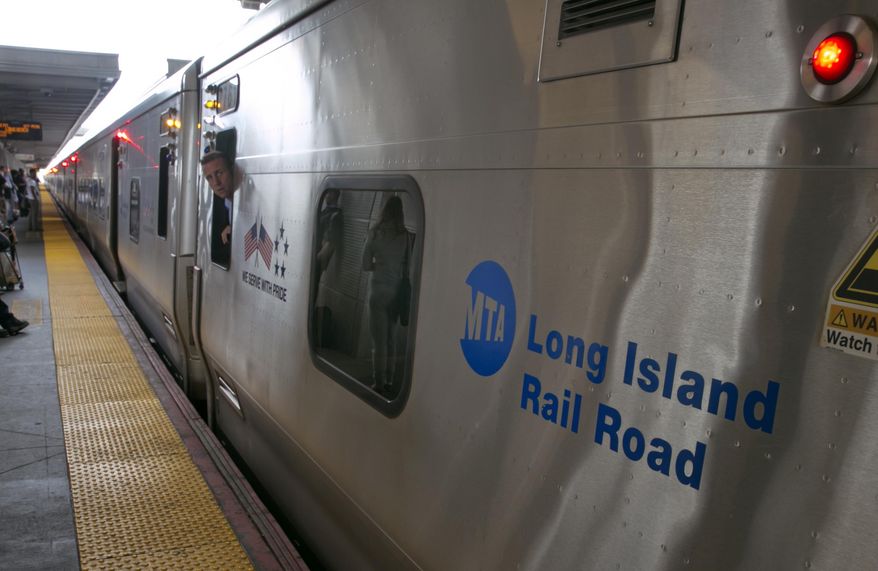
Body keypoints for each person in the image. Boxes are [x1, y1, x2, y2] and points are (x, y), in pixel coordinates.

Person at [361, 196, 411, 393]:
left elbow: (365, 265)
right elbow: (409, 266)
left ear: (384, 210)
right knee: (391, 338)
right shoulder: (405, 235)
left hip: (378, 291)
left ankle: (378, 382)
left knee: (378, 341)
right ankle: (390, 379)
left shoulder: (374, 233)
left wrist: (378, 265)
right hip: (395, 292)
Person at [200, 151, 239, 265]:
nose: (216, 182)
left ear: (232, 170)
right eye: (210, 178)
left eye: (219, 173)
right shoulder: (224, 205)